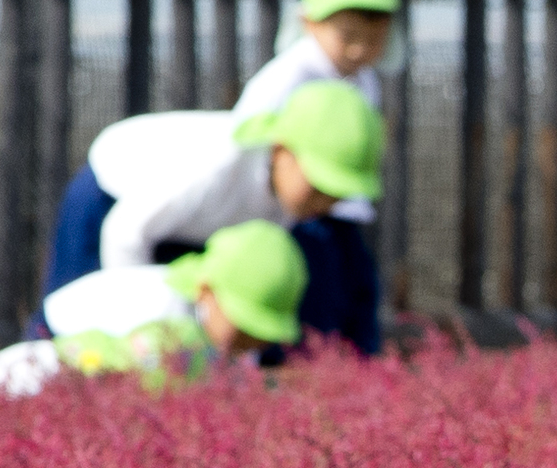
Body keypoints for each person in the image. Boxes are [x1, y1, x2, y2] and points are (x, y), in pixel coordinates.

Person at [48, 86, 382, 307]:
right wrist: (135, 318)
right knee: (77, 321)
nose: (324, 203)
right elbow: (125, 234)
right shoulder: (216, 169)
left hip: (188, 235)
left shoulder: (289, 196)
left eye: (337, 193)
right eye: (319, 185)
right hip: (109, 209)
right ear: (282, 150)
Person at [229, 0, 399, 353]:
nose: (360, 50)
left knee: (358, 300)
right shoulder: (285, 79)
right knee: (310, 313)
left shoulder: (365, 80)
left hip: (340, 214)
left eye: (374, 39)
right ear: (308, 22)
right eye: (348, 36)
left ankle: (358, 380)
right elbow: (249, 151)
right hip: (293, 220)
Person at [0, 220, 304, 398]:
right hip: (55, 354)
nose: (251, 343)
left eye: (262, 335)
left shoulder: (197, 330)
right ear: (207, 290)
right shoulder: (166, 317)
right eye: (245, 326)